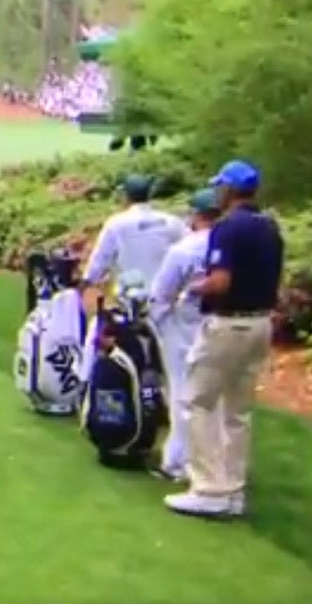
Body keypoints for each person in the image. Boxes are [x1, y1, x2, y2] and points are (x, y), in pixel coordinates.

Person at [165, 160, 283, 518]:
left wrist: (191, 288)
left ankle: (208, 488)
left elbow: (220, 282)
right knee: (237, 410)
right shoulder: (269, 227)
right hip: (261, 323)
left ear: (229, 190)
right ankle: (232, 489)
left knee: (197, 400)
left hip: (228, 324)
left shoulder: (228, 228)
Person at [148, 189, 222, 483]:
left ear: (196, 214)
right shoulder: (231, 246)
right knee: (217, 397)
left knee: (182, 392)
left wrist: (159, 322)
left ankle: (178, 462)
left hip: (186, 324)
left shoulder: (185, 249)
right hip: (221, 323)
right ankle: (213, 463)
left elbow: (161, 294)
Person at [80, 174, 189, 294]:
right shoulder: (172, 221)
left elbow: (100, 259)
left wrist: (84, 284)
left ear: (125, 196)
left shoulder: (117, 224)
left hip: (132, 299)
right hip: (168, 295)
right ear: (149, 195)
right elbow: (190, 249)